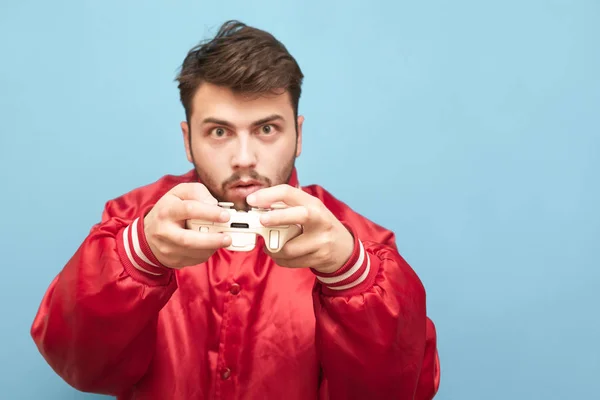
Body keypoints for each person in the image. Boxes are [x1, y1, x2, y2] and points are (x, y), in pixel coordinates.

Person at [30, 20, 441, 400]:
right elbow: (80, 366)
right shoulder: (133, 220)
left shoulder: (358, 246)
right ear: (187, 139)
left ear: (298, 135)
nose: (244, 158)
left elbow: (403, 390)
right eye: (220, 131)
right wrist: (137, 257)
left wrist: (351, 275)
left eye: (266, 129)